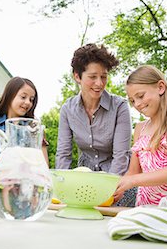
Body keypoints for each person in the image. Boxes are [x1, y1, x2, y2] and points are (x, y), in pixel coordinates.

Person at [113, 65, 167, 216]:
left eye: (140, 96)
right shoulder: (140, 128)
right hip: (146, 207)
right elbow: (133, 172)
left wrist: (133, 181)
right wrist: (118, 188)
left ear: (160, 87)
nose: (137, 104)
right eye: (132, 101)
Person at [55, 43, 135, 206]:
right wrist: (61, 185)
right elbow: (63, 154)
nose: (99, 83)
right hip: (85, 182)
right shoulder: (67, 110)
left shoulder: (119, 106)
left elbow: (121, 155)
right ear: (77, 76)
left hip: (118, 184)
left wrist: (108, 190)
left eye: (103, 76)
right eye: (93, 77)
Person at [0, 77, 49, 168]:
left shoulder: (34, 128)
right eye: (23, 97)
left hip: (25, 181)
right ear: (10, 96)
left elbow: (44, 164)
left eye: (31, 99)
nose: (28, 102)